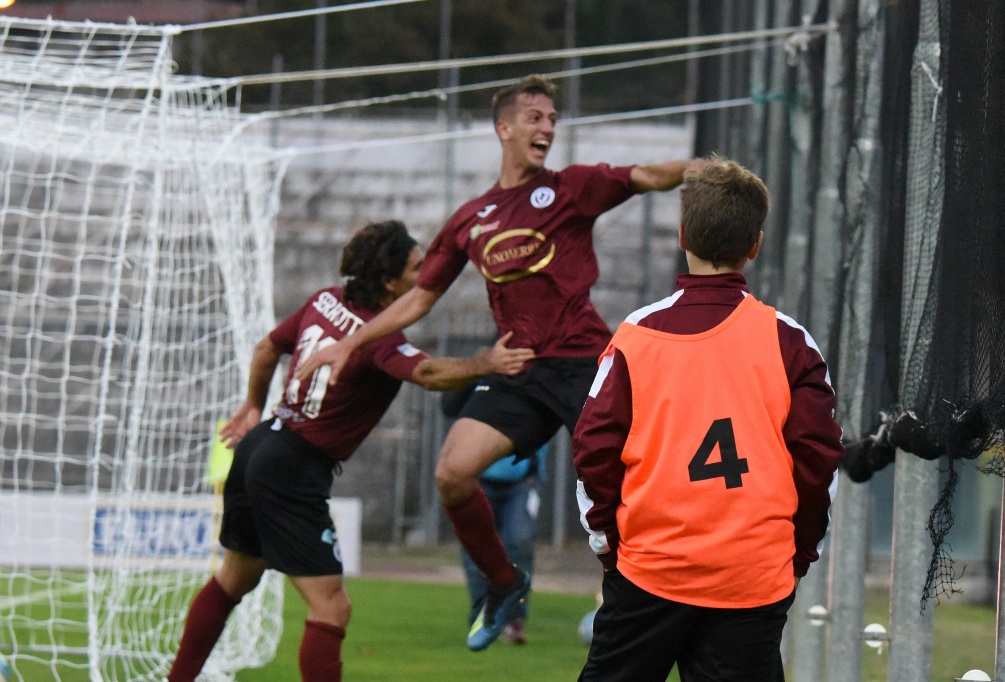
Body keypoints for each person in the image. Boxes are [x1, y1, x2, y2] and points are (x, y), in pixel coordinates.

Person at [296, 74, 712, 651]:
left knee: (624, 485)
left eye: (551, 119)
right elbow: (419, 299)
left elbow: (646, 177)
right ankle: (504, 583)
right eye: (535, 117)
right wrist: (350, 342)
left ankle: (647, 598)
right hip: (517, 368)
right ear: (505, 128)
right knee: (452, 472)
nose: (547, 128)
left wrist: (709, 170)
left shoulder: (572, 189)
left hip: (582, 364)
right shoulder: (472, 218)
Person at [165, 220, 534, 682]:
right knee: (332, 608)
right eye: (417, 267)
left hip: (262, 443)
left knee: (233, 578)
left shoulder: (324, 300)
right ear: (389, 282)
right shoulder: (379, 339)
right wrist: (485, 363)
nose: (427, 275)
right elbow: (429, 375)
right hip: (293, 468)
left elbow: (266, 348)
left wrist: (252, 406)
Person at [572, 157, 844, 682]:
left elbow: (593, 448)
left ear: (681, 235)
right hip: (752, 575)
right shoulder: (790, 340)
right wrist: (798, 553)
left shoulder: (636, 333)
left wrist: (608, 544)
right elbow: (819, 459)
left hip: (651, 567)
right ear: (755, 244)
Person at [441, 383, 547, 645]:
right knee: (477, 552)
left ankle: (513, 620)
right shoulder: (484, 372)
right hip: (478, 479)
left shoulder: (542, 373)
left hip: (523, 480)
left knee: (518, 542)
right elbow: (449, 406)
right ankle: (482, 615)